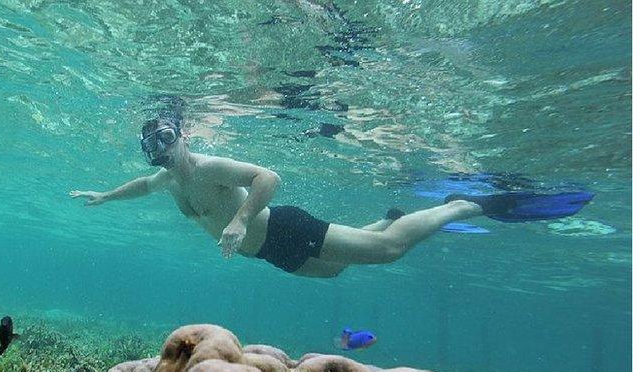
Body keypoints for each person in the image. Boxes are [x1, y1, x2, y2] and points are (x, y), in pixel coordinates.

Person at [69, 116, 593, 278]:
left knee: (387, 252)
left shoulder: (207, 167)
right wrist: (104, 197)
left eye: (166, 136)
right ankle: (395, 217)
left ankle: (468, 203)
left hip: (284, 227)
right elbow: (140, 186)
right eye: (150, 141)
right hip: (268, 253)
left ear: (181, 135)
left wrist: (238, 220)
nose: (158, 147)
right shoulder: (169, 180)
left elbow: (268, 177)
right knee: (338, 270)